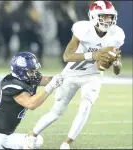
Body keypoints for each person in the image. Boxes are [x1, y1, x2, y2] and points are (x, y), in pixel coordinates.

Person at [25, 1, 125, 149]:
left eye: (110, 17)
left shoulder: (116, 35)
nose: (108, 20)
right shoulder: (83, 29)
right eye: (104, 16)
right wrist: (93, 55)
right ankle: (32, 135)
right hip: (72, 73)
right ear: (94, 16)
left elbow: (117, 71)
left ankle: (67, 143)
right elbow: (67, 56)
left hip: (93, 76)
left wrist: (116, 62)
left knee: (86, 106)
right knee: (56, 111)